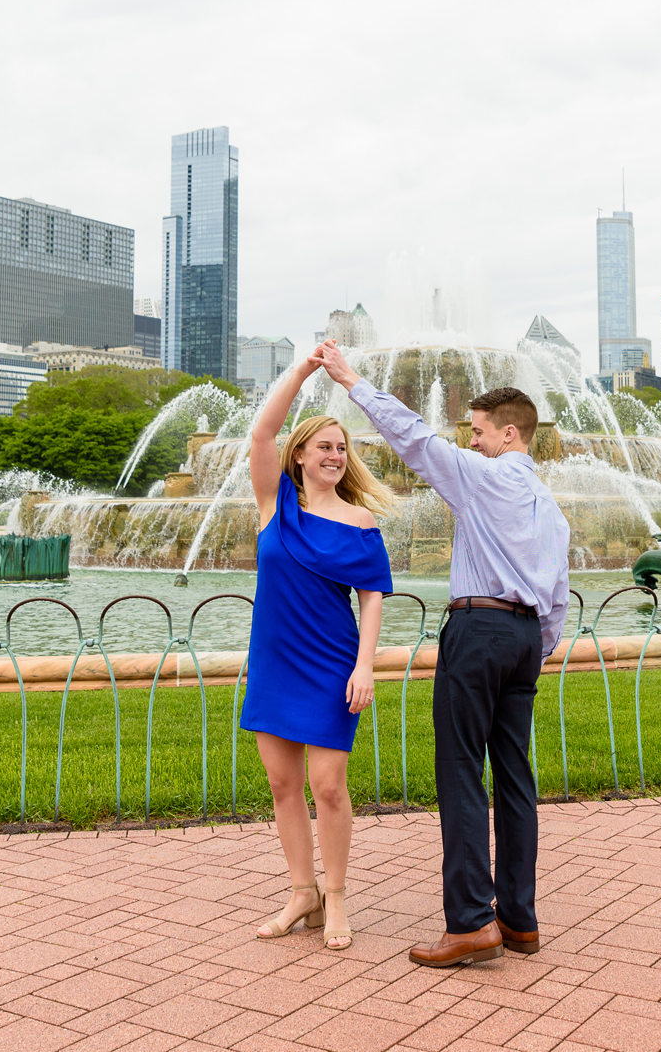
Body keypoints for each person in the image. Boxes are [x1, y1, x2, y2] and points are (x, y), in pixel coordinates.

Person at [313, 340, 571, 968]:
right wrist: (531, 647)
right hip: (525, 640)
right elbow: (558, 598)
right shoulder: (552, 509)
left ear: (509, 434)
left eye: (479, 432)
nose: (472, 442)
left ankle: (470, 923)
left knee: (460, 772)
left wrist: (352, 380)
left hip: (478, 630)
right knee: (515, 776)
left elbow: (416, 439)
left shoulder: (485, 477)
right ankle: (519, 919)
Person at [239, 352, 397, 951]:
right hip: (276, 663)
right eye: (325, 447)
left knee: (328, 787)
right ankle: (300, 893)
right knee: (283, 786)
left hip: (333, 666)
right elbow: (262, 430)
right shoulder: (273, 505)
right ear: (300, 456)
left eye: (342, 449)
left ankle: (336, 896)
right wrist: (303, 373)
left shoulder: (361, 521)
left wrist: (364, 666)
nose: (335, 456)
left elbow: (373, 598)